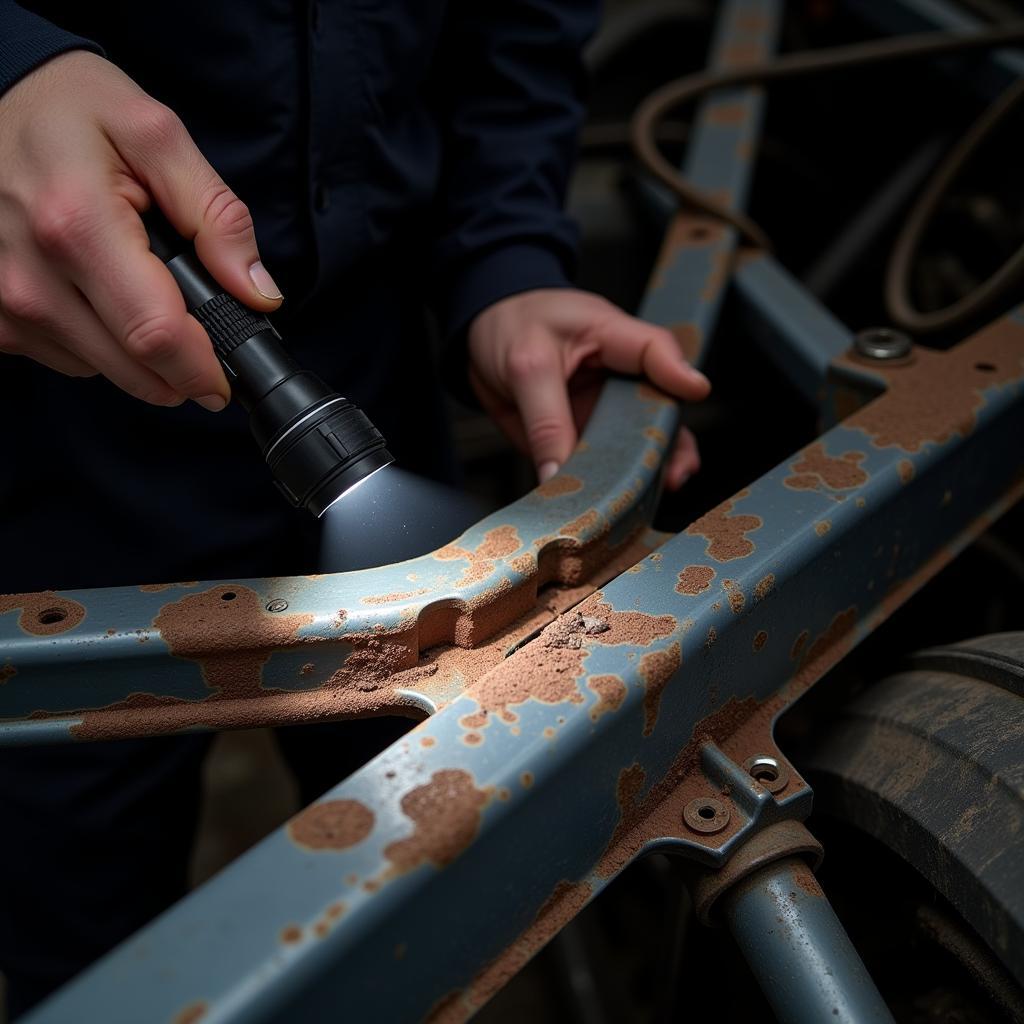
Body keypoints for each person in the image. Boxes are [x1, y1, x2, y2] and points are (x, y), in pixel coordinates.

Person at [0, 1, 709, 1014]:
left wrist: (505, 263)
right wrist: (11, 69)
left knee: (425, 854)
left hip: (370, 374)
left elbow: (520, 30)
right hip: (55, 413)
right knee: (81, 918)